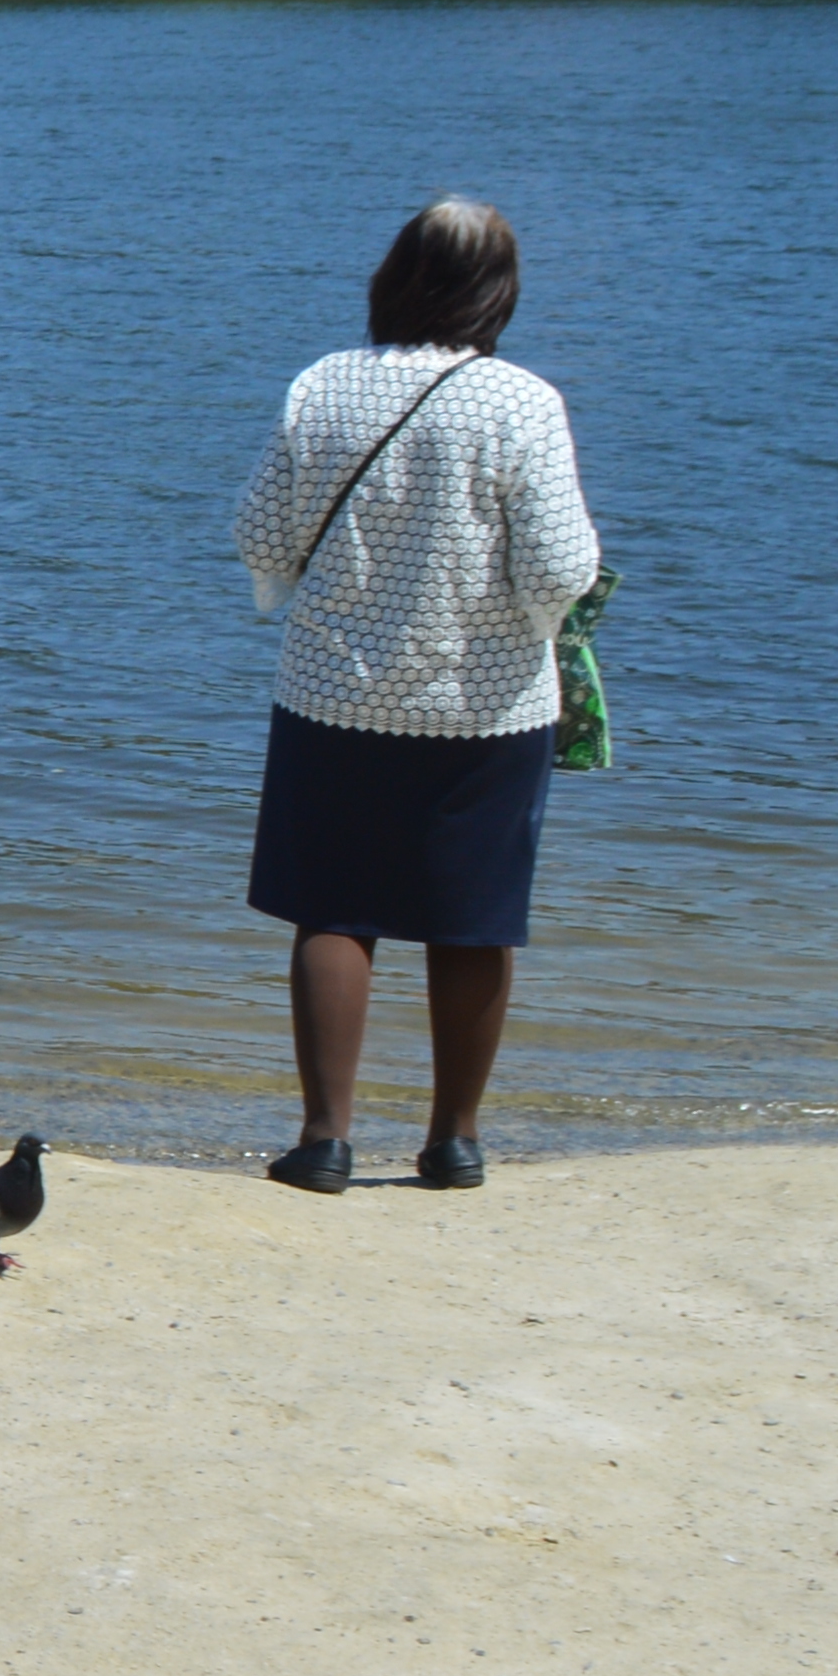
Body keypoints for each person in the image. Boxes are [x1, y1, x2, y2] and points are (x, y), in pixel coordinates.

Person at [233, 195, 601, 1195]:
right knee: (472, 919)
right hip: (483, 707)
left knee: (334, 911)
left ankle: (323, 1141)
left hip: (331, 693)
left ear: (394, 274)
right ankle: (453, 1142)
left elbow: (260, 539)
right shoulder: (522, 402)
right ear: (499, 294)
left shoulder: (323, 386)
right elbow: (560, 568)